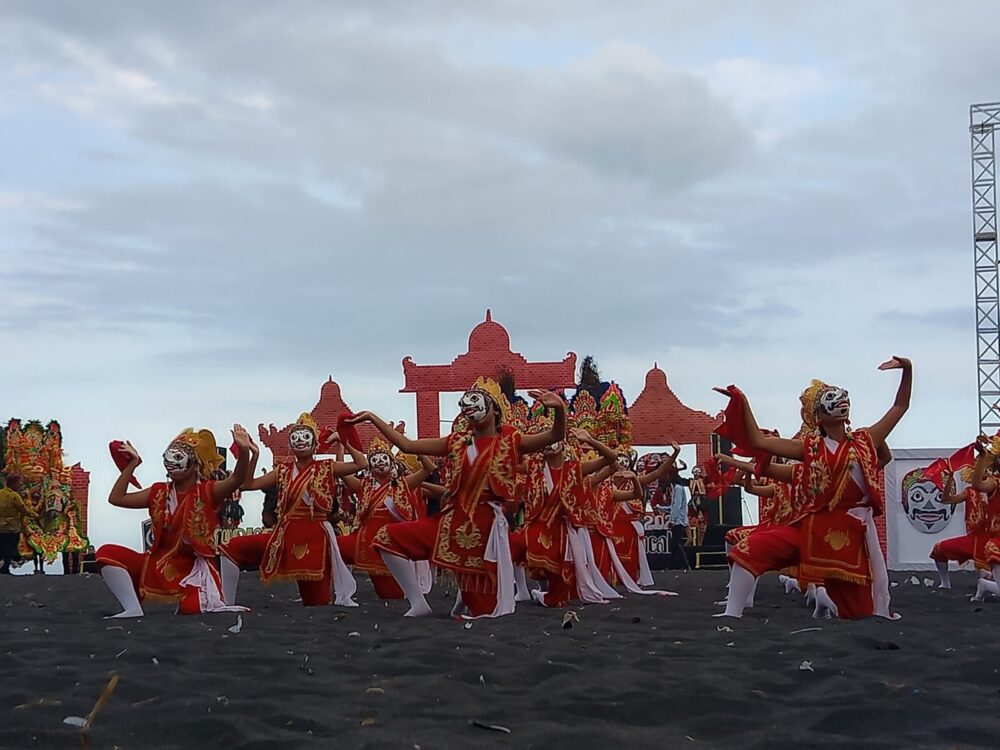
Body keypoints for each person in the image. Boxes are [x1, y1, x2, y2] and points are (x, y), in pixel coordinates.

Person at [715, 356, 912, 619]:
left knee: (862, 612)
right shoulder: (809, 449)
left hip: (852, 533)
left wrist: (907, 370)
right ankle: (732, 614)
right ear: (817, 416)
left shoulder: (866, 440)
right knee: (747, 550)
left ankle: (830, 603)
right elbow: (759, 441)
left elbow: (900, 406)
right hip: (814, 528)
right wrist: (742, 402)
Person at [351, 379, 566, 618]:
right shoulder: (457, 442)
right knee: (386, 538)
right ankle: (418, 602)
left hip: (485, 530)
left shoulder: (511, 441)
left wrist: (558, 409)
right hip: (449, 522)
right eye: (465, 403)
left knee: (484, 610)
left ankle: (469, 597)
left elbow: (555, 434)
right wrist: (372, 417)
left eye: (476, 400)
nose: (469, 407)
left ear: (494, 409)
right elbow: (407, 445)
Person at [96, 426, 252, 618]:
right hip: (155, 564)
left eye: (178, 457)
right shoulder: (158, 491)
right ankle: (132, 608)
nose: (170, 462)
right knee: (106, 552)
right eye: (168, 456)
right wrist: (132, 465)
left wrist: (244, 451)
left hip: (192, 570)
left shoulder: (208, 491)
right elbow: (117, 498)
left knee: (191, 610)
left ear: (196, 464)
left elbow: (237, 479)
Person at [220, 415, 363, 608]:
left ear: (314, 446)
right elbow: (247, 484)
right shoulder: (282, 471)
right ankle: (224, 604)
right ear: (290, 445)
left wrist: (342, 440)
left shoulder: (326, 467)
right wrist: (252, 454)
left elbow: (361, 464)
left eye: (305, 437)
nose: (300, 441)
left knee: (317, 602)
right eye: (295, 438)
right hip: (284, 535)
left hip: (315, 537)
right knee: (230, 547)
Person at [509, 424, 619, 607]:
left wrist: (590, 440)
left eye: (553, 440)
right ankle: (520, 590)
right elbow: (508, 464)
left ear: (563, 444)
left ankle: (542, 593)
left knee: (557, 599)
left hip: (562, 530)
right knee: (511, 545)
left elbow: (611, 458)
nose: (548, 444)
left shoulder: (576, 469)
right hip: (537, 525)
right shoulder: (533, 467)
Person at [336, 436, 434, 599]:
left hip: (391, 544)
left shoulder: (403, 483)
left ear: (392, 462)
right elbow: (343, 473)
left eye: (383, 458)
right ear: (370, 466)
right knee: (331, 546)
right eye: (374, 459)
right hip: (365, 542)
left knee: (391, 594)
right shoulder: (365, 485)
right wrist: (342, 444)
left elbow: (428, 469)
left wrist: (414, 449)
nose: (379, 462)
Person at [0, 475, 34, 574]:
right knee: (9, 548)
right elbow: (24, 509)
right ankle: (5, 568)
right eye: (19, 484)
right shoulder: (14, 495)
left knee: (1, 547)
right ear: (13, 484)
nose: (20, 486)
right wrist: (35, 515)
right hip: (11, 527)